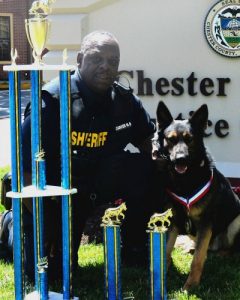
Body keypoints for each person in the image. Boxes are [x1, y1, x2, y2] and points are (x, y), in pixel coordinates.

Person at [21, 30, 158, 281]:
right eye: (97, 59)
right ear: (80, 59)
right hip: (58, 196)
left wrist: (168, 152)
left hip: (101, 184)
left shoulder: (125, 102)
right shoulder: (51, 103)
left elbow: (149, 141)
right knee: (51, 275)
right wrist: (48, 224)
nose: (106, 67)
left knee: (147, 169)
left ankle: (135, 247)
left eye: (113, 61)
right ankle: (12, 228)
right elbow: (26, 173)